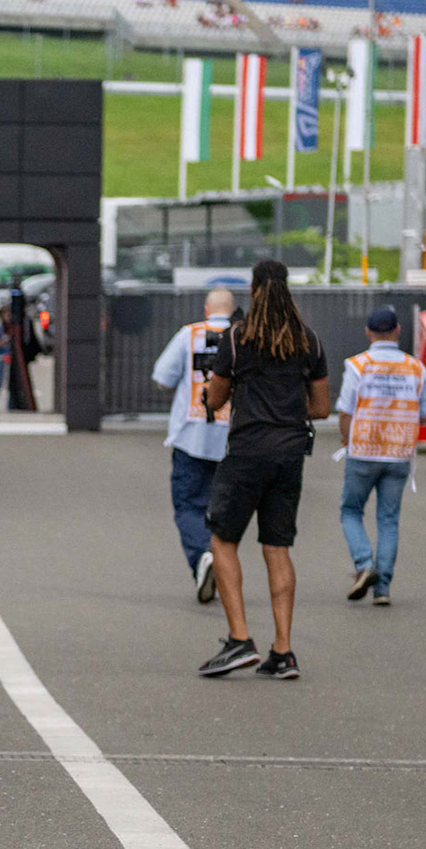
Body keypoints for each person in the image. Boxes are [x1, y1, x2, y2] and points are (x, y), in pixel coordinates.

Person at [196, 261, 330, 681]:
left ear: (254, 291)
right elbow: (322, 408)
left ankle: (239, 640)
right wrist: (288, 409)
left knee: (223, 540)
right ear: (286, 291)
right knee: (277, 547)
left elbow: (216, 400)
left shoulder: (238, 339)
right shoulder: (309, 341)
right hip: (290, 455)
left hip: (248, 453)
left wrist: (215, 394)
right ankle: (283, 651)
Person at [335, 306, 426, 605]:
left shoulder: (357, 365)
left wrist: (346, 438)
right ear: (398, 331)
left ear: (368, 332)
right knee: (388, 520)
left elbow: (345, 409)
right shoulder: (417, 368)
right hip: (399, 453)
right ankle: (383, 589)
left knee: (351, 511)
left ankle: (365, 565)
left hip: (363, 450)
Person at [150, 288, 235, 602]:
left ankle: (202, 556)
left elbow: (163, 377)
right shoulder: (244, 337)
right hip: (233, 439)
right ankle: (222, 569)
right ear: (233, 309)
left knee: (188, 505)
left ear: (206, 308)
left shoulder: (190, 334)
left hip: (191, 436)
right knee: (223, 511)